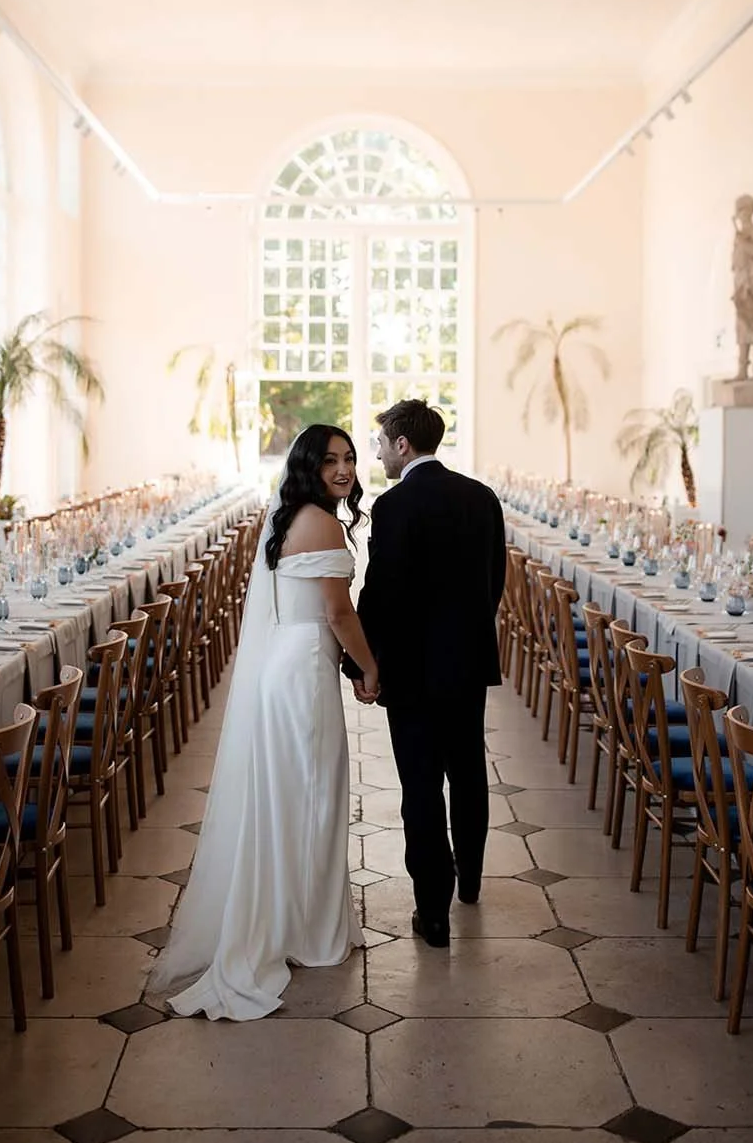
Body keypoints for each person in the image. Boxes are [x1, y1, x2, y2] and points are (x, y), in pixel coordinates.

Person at [150, 425, 379, 1020]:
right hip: (305, 669)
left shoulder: (290, 518)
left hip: (286, 663)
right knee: (317, 796)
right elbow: (336, 610)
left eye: (350, 458)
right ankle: (309, 933)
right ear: (308, 465)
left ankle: (296, 920)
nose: (344, 469)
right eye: (330, 460)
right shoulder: (323, 522)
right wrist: (371, 665)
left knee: (290, 799)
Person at [344, 399, 506, 947]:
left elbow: (381, 595)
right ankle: (472, 884)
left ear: (402, 445)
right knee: (467, 775)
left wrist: (361, 662)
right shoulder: (481, 498)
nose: (379, 454)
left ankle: (432, 911)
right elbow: (494, 583)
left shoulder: (394, 506)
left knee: (421, 787)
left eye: (381, 444)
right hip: (466, 665)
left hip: (412, 671)